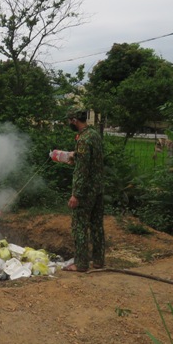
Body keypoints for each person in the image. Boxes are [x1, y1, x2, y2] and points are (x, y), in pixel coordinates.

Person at [62, 107, 105, 272]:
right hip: (98, 188)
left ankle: (80, 264)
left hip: (86, 191)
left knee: (79, 226)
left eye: (69, 120)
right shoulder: (94, 135)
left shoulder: (83, 140)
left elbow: (82, 170)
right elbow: (91, 161)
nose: (68, 123)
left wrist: (76, 194)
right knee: (96, 225)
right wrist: (75, 157)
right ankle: (99, 260)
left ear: (74, 120)